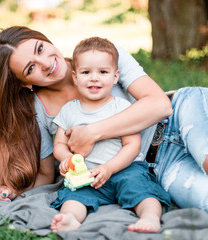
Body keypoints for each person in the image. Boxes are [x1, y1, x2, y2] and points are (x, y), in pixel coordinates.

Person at [0, 26, 208, 214]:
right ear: (24, 82)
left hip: (183, 114)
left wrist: (93, 132)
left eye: (40, 49)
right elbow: (47, 174)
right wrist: (12, 189)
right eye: (30, 68)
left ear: (45, 39)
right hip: (156, 166)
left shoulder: (101, 54)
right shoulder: (39, 111)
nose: (46, 63)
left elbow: (161, 105)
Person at [49, 37, 170, 233]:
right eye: (86, 72)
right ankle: (70, 219)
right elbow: (60, 144)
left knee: (141, 190)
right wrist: (66, 158)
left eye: (103, 72)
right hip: (86, 175)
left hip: (123, 169)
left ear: (115, 77)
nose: (94, 78)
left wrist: (109, 168)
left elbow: (132, 146)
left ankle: (150, 217)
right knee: (73, 197)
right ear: (74, 76)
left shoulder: (121, 107)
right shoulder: (68, 111)